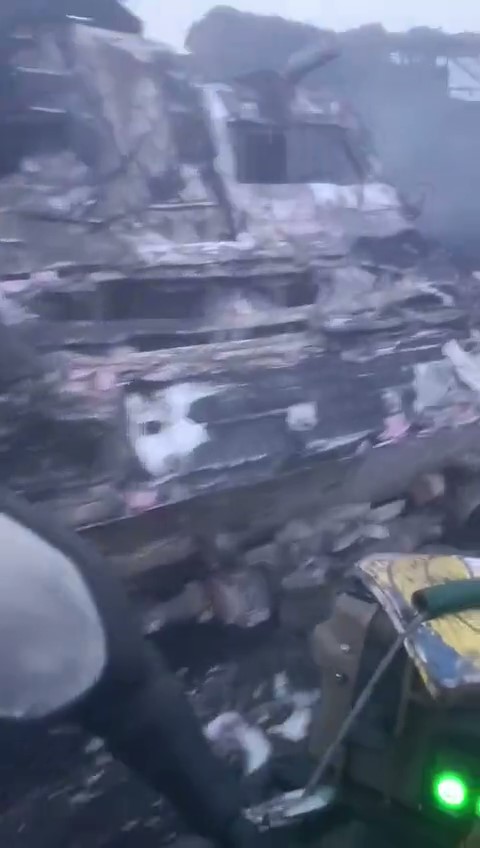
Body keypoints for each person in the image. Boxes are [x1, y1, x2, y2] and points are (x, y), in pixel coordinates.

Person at [0, 487, 261, 848]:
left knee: (137, 700)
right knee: (139, 702)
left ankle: (232, 824)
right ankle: (233, 824)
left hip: (81, 630)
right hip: (90, 628)